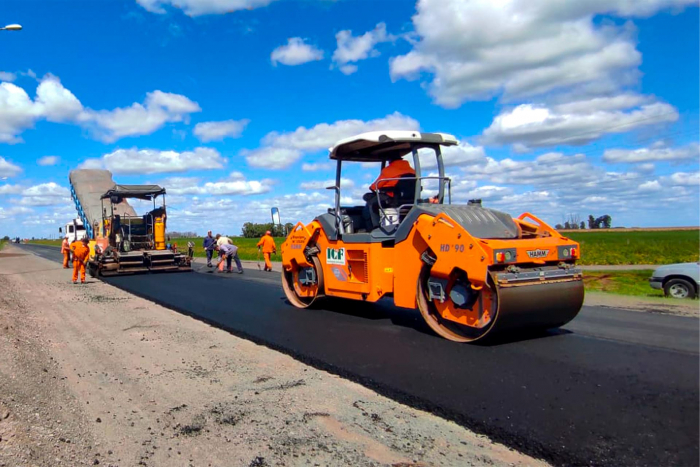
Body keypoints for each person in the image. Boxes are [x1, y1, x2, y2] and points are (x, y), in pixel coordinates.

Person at [363, 157, 416, 229]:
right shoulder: (413, 171)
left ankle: (374, 228)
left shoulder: (388, 170)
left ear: (390, 161)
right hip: (411, 200)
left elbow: (375, 186)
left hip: (393, 199)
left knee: (371, 203)